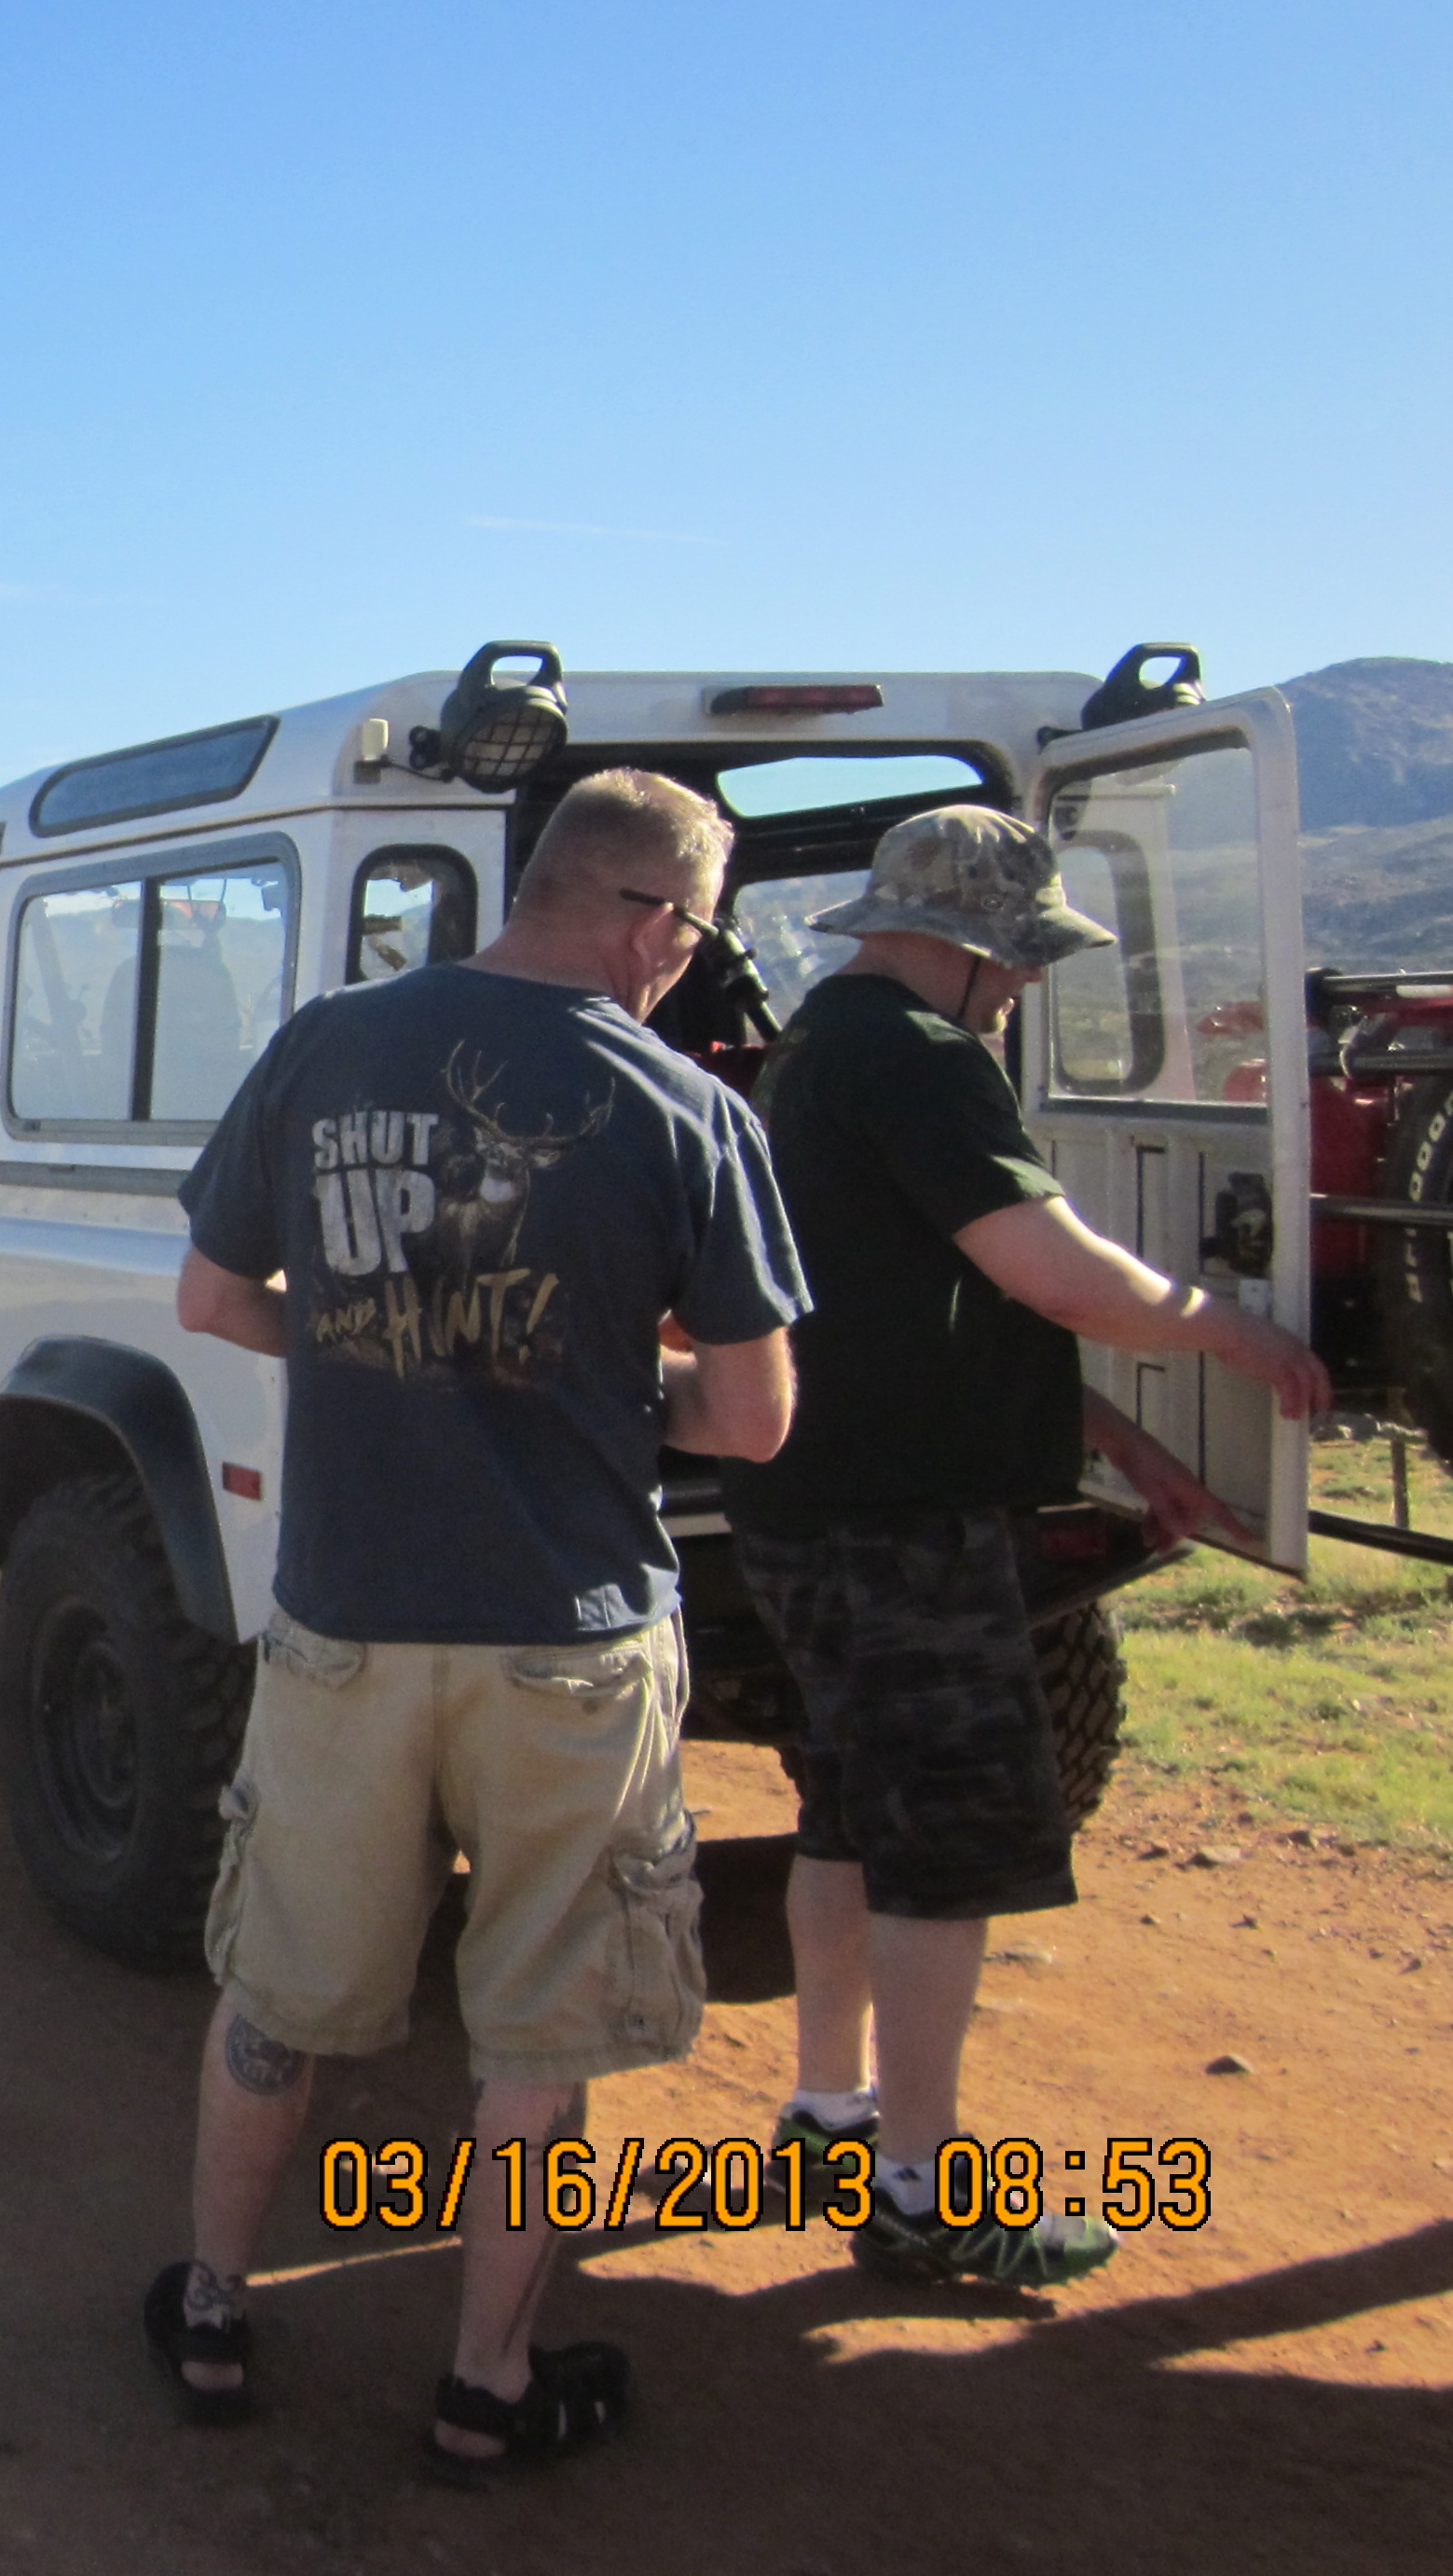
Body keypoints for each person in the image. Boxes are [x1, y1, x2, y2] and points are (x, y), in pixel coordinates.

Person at [160, 769, 805, 2485]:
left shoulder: (323, 1047)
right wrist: (607, 1392)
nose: (686, 964)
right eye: (693, 933)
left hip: (345, 1627)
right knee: (536, 2035)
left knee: (278, 1991)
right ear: (649, 918)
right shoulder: (683, 1109)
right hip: (565, 1644)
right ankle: (485, 2384)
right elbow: (753, 1421)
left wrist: (366, 1344)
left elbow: (213, 1297)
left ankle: (212, 2313)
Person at [717, 807, 1327, 2286]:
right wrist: (1231, 1332)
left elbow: (944, 1301)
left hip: (812, 1506)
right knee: (948, 1848)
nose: (1032, 981)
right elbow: (1050, 1273)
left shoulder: (819, 1047)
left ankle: (829, 2110)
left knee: (847, 1813)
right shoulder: (920, 1058)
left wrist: (1125, 1449)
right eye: (1024, 954)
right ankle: (923, 2193)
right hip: (902, 1526)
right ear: (971, 945)